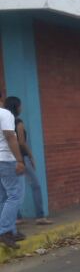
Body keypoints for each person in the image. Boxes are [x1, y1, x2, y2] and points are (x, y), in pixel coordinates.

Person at [4, 97, 52, 225]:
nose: (22, 107)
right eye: (20, 105)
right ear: (17, 107)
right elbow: (21, 142)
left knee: (12, 191)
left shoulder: (5, 122)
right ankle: (40, 216)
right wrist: (31, 156)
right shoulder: (18, 122)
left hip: (9, 159)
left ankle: (17, 217)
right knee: (35, 185)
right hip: (22, 158)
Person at [0, 91, 27, 249]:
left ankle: (10, 230)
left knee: (3, 197)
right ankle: (4, 231)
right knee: (15, 196)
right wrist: (19, 160)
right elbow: (11, 137)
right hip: (7, 160)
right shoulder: (5, 114)